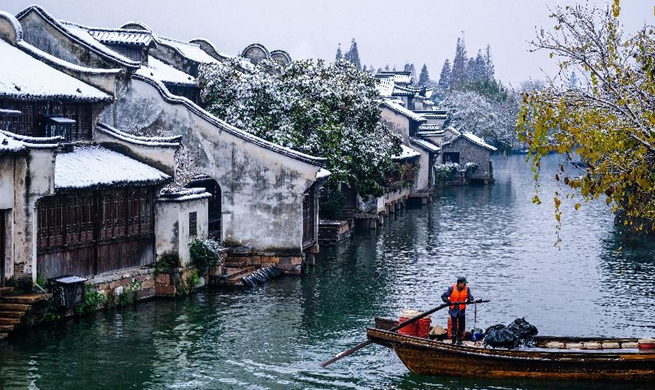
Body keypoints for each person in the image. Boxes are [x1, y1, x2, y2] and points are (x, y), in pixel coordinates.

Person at [441, 276, 474, 345]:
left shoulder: (467, 289)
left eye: (465, 283)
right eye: (463, 283)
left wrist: (469, 300)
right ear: (459, 283)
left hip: (461, 310)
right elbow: (443, 296)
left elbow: (470, 297)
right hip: (453, 310)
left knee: (462, 326)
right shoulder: (452, 288)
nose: (465, 285)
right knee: (454, 326)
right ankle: (453, 340)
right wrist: (447, 301)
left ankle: (459, 340)